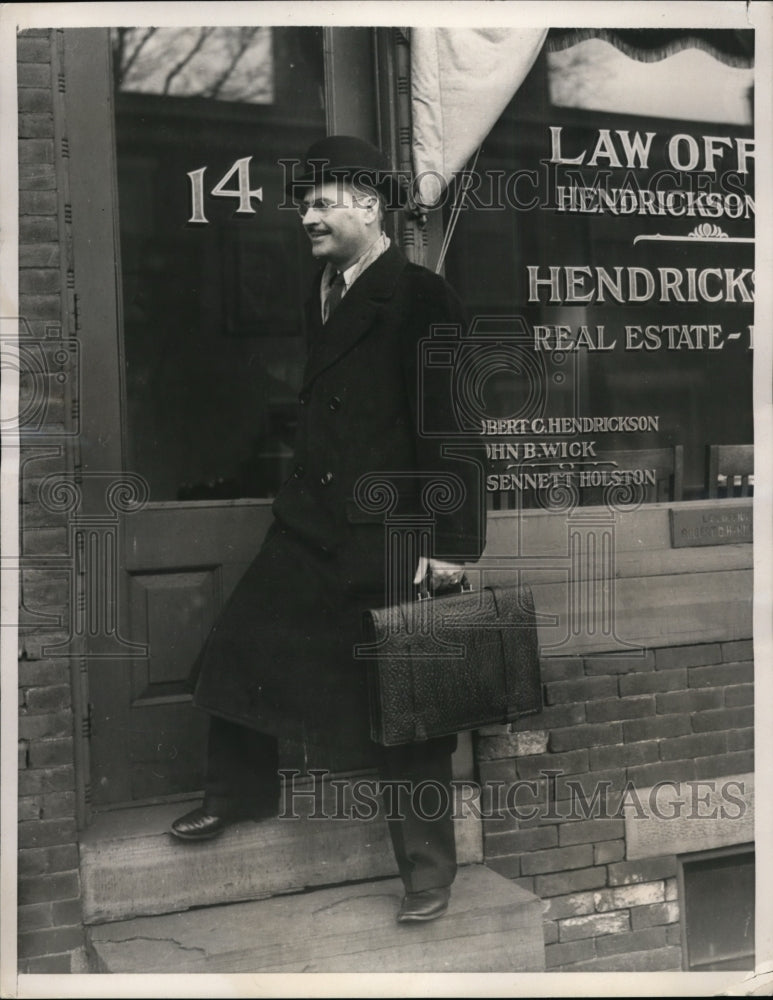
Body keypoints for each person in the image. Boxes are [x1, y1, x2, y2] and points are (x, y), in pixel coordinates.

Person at [172, 135, 486, 924]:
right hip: (311, 522)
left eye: (319, 203)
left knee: (407, 708)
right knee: (239, 646)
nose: (305, 217)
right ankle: (238, 795)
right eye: (301, 204)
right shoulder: (324, 288)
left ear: (369, 204)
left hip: (391, 532)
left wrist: (449, 548)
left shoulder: (419, 298)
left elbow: (451, 432)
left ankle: (426, 873)